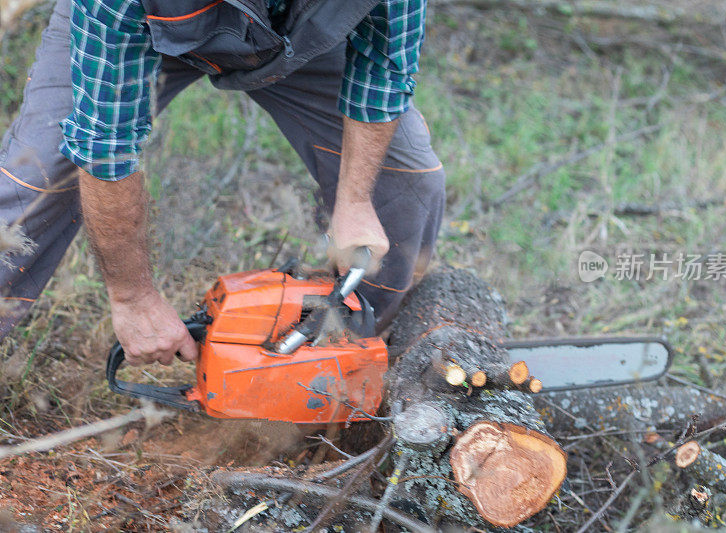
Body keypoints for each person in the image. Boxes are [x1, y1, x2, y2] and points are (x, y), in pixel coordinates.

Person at [0, 0, 445, 366]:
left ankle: (337, 365)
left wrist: (355, 200)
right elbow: (103, 144)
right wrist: (133, 297)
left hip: (300, 37)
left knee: (406, 187)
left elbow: (383, 75)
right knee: (33, 180)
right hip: (148, 18)